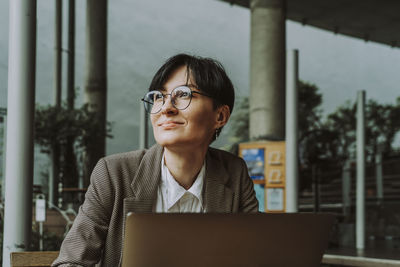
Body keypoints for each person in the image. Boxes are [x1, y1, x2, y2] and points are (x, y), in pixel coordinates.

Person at [52, 54, 258, 266]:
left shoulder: (234, 173)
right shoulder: (114, 174)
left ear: (220, 117)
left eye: (183, 94)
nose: (166, 108)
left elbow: (260, 252)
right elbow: (70, 262)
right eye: (159, 97)